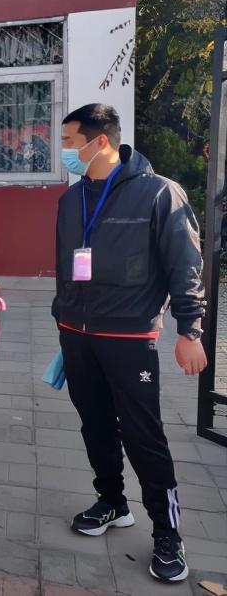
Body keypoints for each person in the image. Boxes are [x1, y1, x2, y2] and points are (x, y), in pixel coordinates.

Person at [53, 104, 206, 584]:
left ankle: (167, 532)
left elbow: (186, 263)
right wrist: (66, 324)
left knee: (143, 434)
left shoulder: (159, 193)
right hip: (78, 335)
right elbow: (66, 268)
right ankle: (112, 501)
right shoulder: (71, 199)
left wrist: (190, 330)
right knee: (94, 423)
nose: (64, 151)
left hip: (130, 338)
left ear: (100, 141)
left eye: (69, 141)